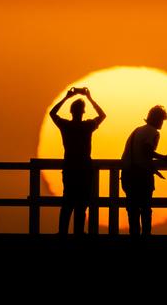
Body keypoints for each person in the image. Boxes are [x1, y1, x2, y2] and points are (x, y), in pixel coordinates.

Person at [49, 87, 106, 235]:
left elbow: (52, 113)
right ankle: (79, 233)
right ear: (83, 112)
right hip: (85, 169)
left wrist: (66, 97)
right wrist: (90, 97)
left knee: (67, 202)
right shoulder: (88, 126)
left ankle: (62, 232)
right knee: (82, 204)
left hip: (69, 167)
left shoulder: (66, 126)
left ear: (71, 112)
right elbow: (102, 115)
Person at [120, 105, 167, 236]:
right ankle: (146, 236)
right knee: (145, 208)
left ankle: (134, 235)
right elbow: (147, 151)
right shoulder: (153, 132)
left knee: (132, 208)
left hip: (127, 174)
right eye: (162, 120)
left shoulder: (137, 130)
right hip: (142, 176)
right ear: (158, 120)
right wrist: (164, 157)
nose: (162, 123)